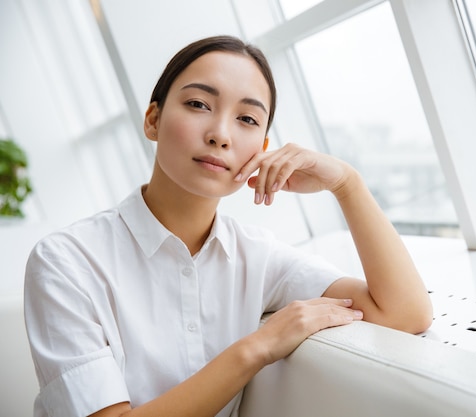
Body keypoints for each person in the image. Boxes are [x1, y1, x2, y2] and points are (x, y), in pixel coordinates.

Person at [24, 35, 432, 417]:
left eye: (247, 119)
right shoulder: (66, 261)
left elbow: (404, 313)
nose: (220, 135)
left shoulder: (256, 254)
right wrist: (258, 347)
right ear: (153, 119)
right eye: (199, 104)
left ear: (262, 151)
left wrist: (347, 183)